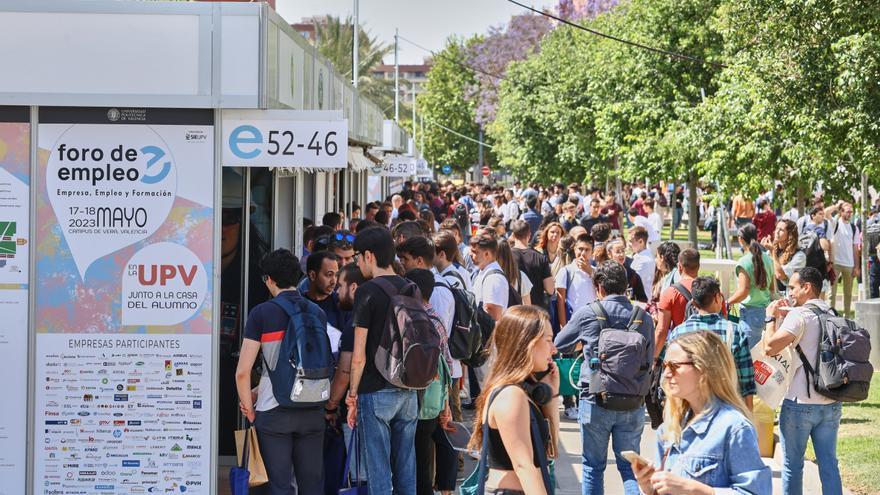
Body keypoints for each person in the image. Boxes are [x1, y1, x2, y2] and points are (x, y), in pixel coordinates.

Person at [554, 261, 656, 495]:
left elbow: (559, 344)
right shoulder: (643, 318)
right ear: (626, 285)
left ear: (598, 287)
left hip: (595, 399)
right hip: (633, 401)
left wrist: (585, 343)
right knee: (631, 469)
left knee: (592, 466)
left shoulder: (588, 313)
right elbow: (648, 361)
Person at [633, 331, 770, 495]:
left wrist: (696, 490)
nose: (667, 374)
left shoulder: (734, 428)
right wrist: (649, 488)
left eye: (674, 366)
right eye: (665, 366)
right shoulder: (670, 426)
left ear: (703, 368)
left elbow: (755, 491)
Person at [236, 249, 326, 495]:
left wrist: (251, 410)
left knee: (278, 485)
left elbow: (242, 372)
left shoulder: (261, 314)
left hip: (273, 411)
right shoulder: (317, 312)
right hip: (312, 407)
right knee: (311, 484)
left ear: (269, 280)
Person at [347, 227, 418, 494]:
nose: (356, 262)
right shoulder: (411, 287)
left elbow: (358, 356)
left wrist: (352, 395)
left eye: (357, 257)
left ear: (369, 255)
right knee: (406, 468)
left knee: (379, 473)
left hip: (375, 391)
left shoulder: (366, 292)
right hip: (409, 389)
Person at [763, 267, 843, 495]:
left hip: (800, 403)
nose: (790, 293)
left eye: (792, 287)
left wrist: (771, 318)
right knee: (829, 465)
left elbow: (770, 347)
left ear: (807, 287)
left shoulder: (800, 315)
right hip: (831, 401)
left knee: (792, 466)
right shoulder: (832, 312)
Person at [467, 306, 561, 495]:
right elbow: (524, 466)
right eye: (549, 340)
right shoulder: (511, 395)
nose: (554, 349)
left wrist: (552, 395)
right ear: (528, 343)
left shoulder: (520, 392)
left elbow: (550, 452)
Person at [404, 268, 458, 495]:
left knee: (420, 456)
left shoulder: (413, 319)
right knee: (435, 446)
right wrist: (446, 401)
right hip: (435, 396)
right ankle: (446, 488)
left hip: (418, 396)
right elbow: (446, 361)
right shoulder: (435, 317)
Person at [667, 276, 756, 406]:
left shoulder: (678, 333)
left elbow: (671, 376)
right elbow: (746, 381)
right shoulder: (734, 331)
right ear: (717, 297)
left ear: (694, 303)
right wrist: (748, 414)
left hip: (688, 406)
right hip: (726, 406)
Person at [728, 223, 774, 348]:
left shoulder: (744, 262)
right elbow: (772, 288)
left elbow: (743, 292)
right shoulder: (768, 259)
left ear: (740, 239)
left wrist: (727, 302)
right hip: (765, 312)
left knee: (748, 357)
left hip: (749, 314)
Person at [655, 248, 701, 357]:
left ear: (679, 267)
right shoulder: (713, 291)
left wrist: (653, 358)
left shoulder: (670, 293)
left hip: (681, 350)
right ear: (699, 266)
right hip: (705, 350)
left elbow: (661, 331)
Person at [826, 202, 861, 317]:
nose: (850, 214)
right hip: (835, 263)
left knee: (848, 293)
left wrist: (856, 266)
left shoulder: (854, 228)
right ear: (841, 212)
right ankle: (831, 316)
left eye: (851, 211)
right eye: (847, 211)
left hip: (849, 264)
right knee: (832, 293)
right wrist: (836, 206)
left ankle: (847, 316)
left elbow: (855, 248)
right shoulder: (835, 223)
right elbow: (826, 213)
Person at [511, 220, 554, 310]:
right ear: (529, 235)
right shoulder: (541, 257)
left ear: (513, 235)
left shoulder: (507, 257)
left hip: (513, 311)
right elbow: (550, 289)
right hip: (536, 311)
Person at [304, 251, 348, 332]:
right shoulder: (299, 304)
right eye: (329, 275)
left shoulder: (342, 304)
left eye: (336, 275)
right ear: (312, 275)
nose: (334, 281)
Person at [764, 218, 806, 294]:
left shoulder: (799, 256)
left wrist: (772, 252)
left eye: (781, 230)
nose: (777, 232)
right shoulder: (773, 249)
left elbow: (780, 275)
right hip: (770, 294)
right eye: (776, 229)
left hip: (788, 297)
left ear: (790, 234)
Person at [607, 239, 648, 303]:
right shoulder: (605, 274)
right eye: (617, 252)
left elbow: (642, 299)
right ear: (609, 254)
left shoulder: (633, 275)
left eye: (623, 251)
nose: (621, 254)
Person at [628, 226, 656, 295]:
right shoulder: (642, 256)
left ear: (641, 241)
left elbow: (632, 284)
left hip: (639, 301)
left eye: (631, 241)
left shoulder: (643, 261)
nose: (629, 245)